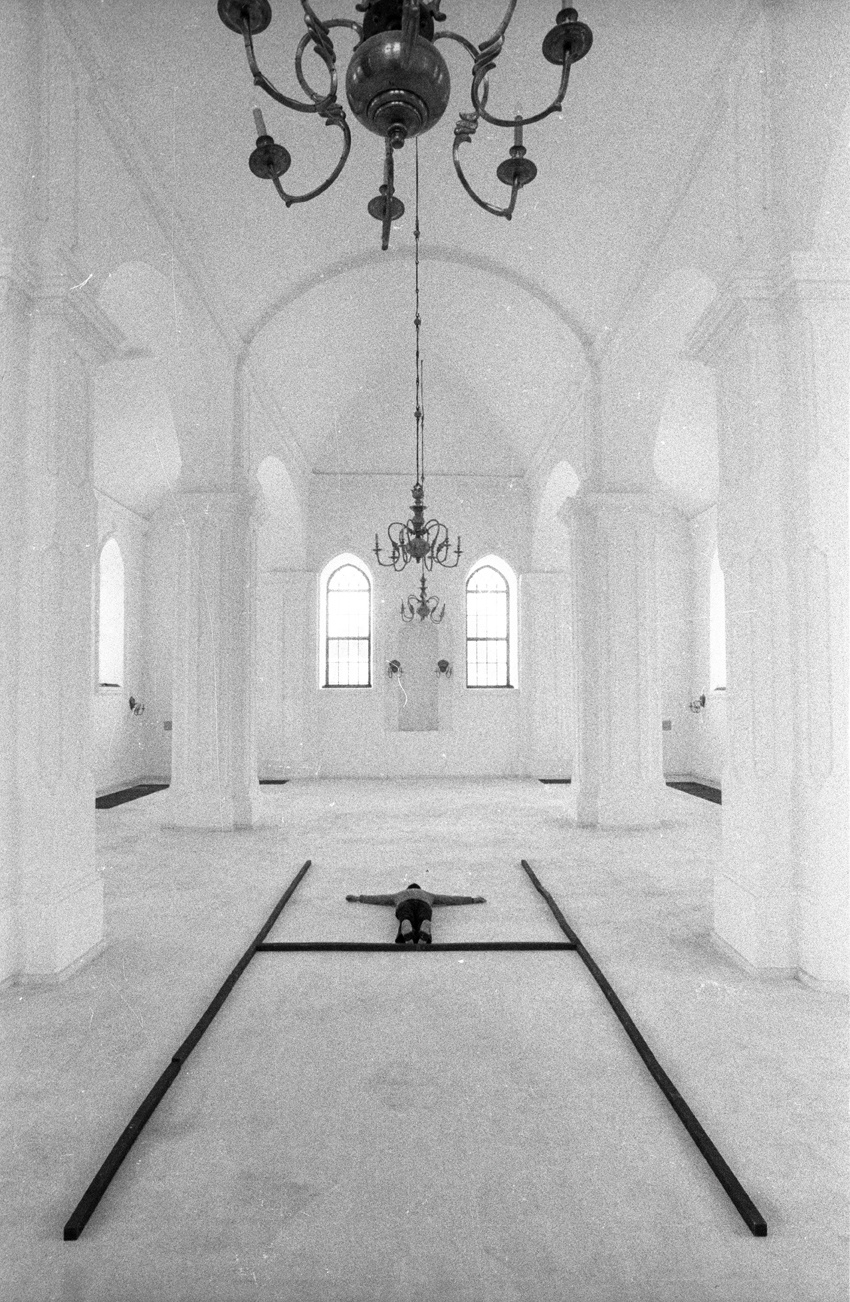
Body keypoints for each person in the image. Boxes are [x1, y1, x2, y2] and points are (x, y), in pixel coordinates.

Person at [345, 882, 486, 945]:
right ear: (420, 888)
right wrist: (472, 900)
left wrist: (359, 898)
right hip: (424, 904)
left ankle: (406, 924)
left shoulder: (399, 894)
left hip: (404, 904)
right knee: (423, 916)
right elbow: (448, 899)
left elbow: (379, 899)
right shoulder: (427, 894)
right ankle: (425, 926)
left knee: (405, 916)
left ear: (407, 888)